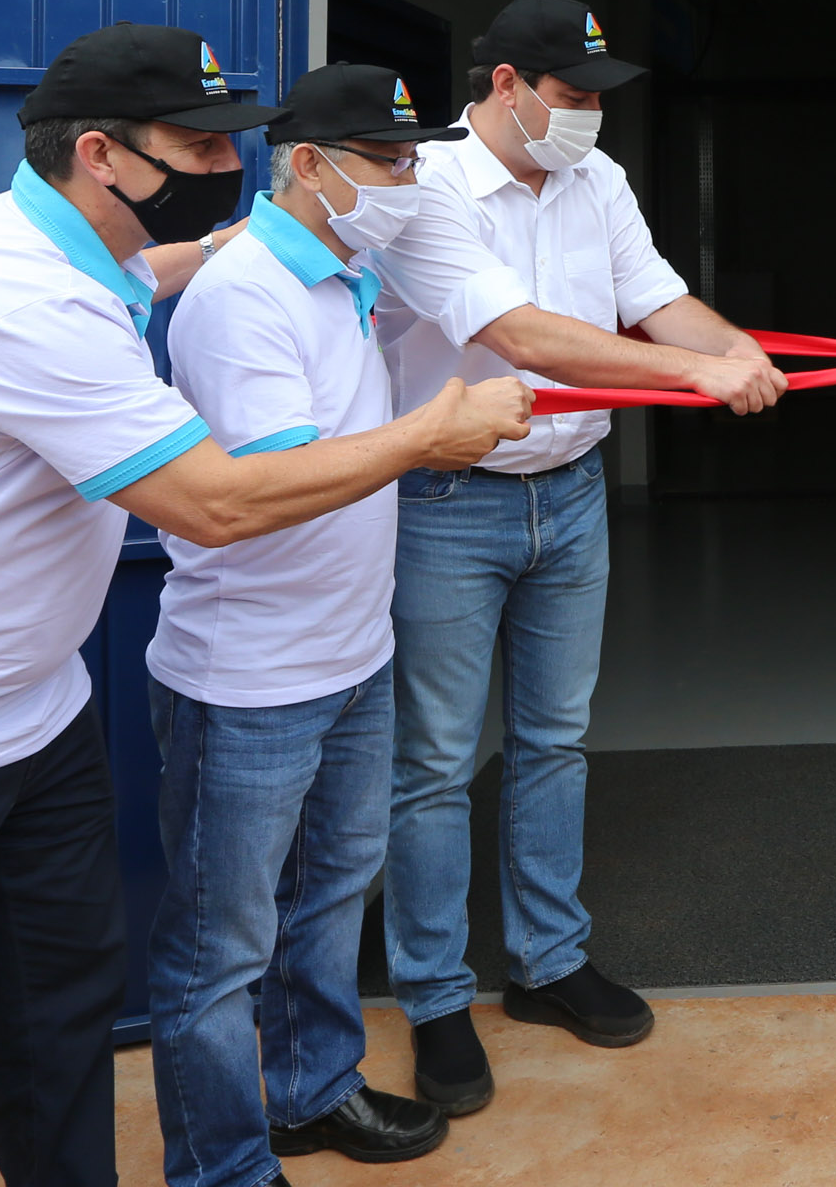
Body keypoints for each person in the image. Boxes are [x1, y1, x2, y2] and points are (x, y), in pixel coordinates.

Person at [0, 24, 530, 1187]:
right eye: (199, 145)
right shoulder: (20, 302)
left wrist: (232, 241)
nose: (228, 165)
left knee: (58, 1041)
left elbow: (159, 269)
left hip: (27, 729)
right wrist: (431, 431)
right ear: (99, 153)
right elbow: (214, 501)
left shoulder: (90, 257)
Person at [371, 0, 785, 1110]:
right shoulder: (426, 183)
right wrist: (696, 373)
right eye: (572, 93)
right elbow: (518, 335)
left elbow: (657, 301)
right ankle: (435, 996)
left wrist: (739, 350)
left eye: (600, 96)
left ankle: (547, 961)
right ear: (505, 84)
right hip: (449, 502)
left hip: (573, 492)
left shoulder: (596, 178)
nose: (590, 114)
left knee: (554, 741)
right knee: (435, 761)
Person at [148, 63, 509, 1185]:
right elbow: (273, 485)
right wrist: (433, 435)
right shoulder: (243, 293)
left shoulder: (345, 272)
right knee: (220, 946)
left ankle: (314, 1090)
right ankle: (223, 1164)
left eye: (413, 158)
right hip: (250, 679)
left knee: (330, 896)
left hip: (352, 656)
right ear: (308, 164)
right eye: (389, 161)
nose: (410, 180)